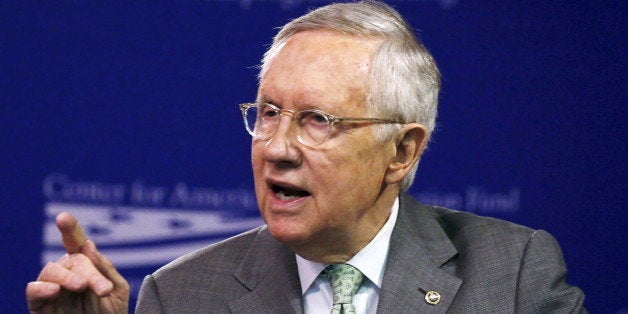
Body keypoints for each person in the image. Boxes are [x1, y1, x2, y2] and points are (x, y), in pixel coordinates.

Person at [26, 1, 586, 313]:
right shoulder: (181, 295)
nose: (278, 148)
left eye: (319, 120)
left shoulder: (512, 276)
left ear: (401, 151)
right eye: (268, 113)